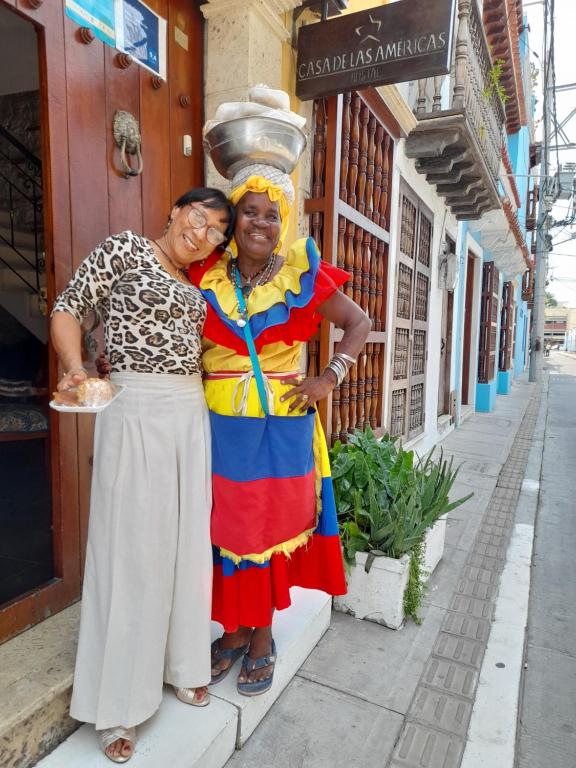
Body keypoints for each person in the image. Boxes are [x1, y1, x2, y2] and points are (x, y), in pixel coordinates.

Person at [50, 188, 235, 763]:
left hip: (189, 414)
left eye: (216, 233)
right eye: (200, 218)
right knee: (130, 549)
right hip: (133, 410)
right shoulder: (125, 249)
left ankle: (181, 664)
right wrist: (77, 369)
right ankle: (118, 704)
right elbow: (67, 308)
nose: (203, 233)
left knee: (182, 546)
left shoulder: (196, 285)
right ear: (176, 210)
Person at [189, 165, 371, 696]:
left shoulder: (301, 275)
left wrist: (326, 379)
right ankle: (233, 628)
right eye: (250, 211)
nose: (261, 223)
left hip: (285, 429)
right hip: (223, 427)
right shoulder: (206, 275)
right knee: (229, 528)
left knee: (270, 530)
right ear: (235, 217)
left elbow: (358, 324)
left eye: (272, 214)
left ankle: (262, 634)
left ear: (283, 221)